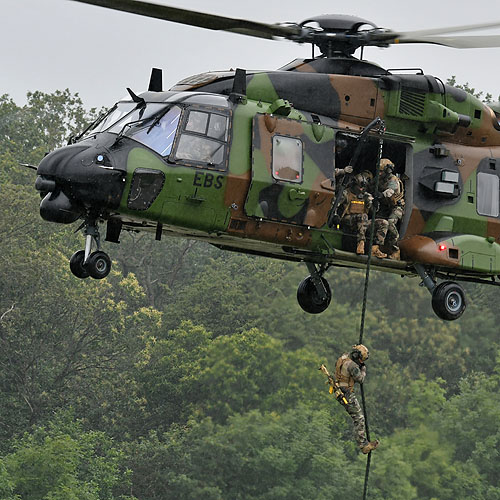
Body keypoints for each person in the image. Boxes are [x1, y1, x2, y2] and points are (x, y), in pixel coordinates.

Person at [335, 344, 379, 454]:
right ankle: (363, 445)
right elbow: (360, 379)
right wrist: (363, 369)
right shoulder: (353, 366)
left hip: (338, 390)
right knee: (359, 418)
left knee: (357, 417)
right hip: (346, 394)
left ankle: (363, 443)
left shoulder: (344, 357)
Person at [370, 158, 404, 260]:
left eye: (381, 171)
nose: (379, 173)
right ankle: (374, 247)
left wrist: (379, 195)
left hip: (396, 207)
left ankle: (395, 249)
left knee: (390, 223)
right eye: (378, 171)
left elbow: (389, 192)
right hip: (384, 207)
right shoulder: (378, 179)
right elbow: (369, 187)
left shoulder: (393, 180)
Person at [339, 171, 374, 255]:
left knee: (383, 223)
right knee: (363, 216)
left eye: (363, 187)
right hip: (348, 220)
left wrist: (373, 204)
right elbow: (334, 205)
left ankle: (375, 248)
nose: (361, 189)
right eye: (360, 187)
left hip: (362, 223)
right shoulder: (346, 193)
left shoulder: (366, 196)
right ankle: (361, 243)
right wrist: (336, 216)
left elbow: (374, 210)